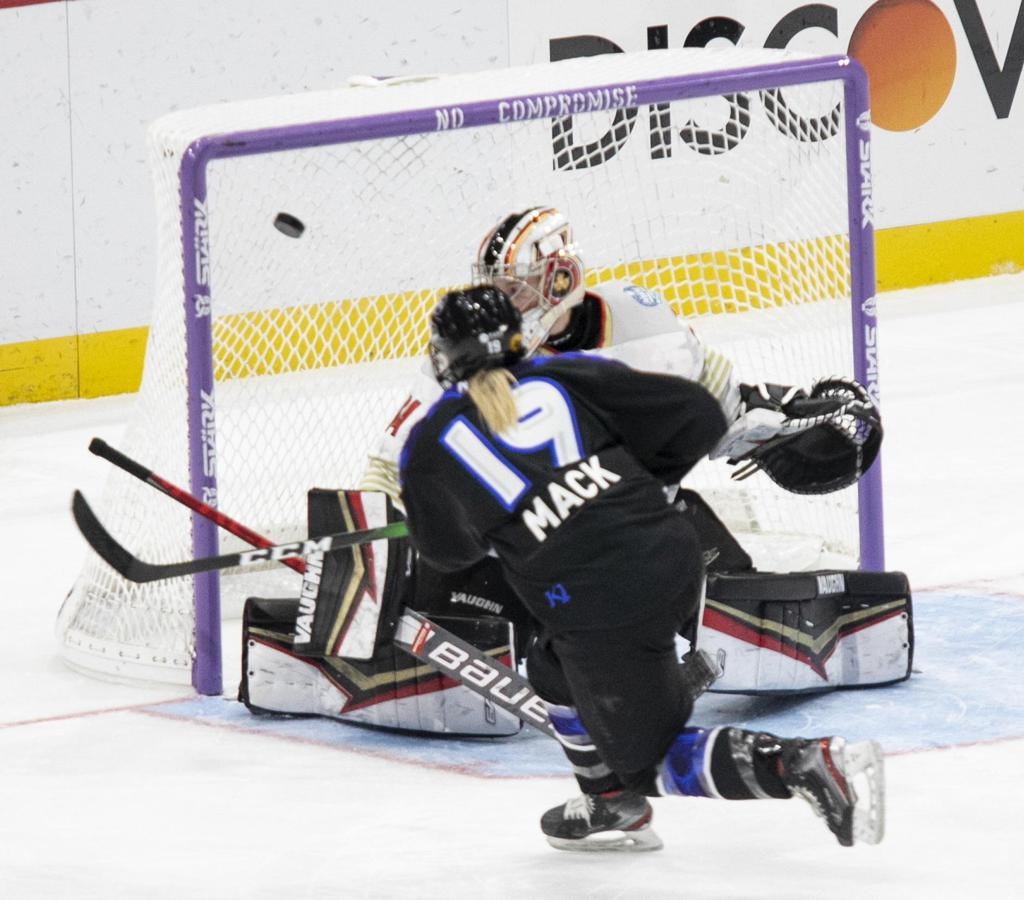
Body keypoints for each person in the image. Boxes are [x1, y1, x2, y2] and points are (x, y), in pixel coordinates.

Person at [397, 284, 885, 851]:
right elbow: (700, 415)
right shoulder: (565, 375)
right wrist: (629, 484)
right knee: (552, 669)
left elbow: (447, 555)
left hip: (596, 598)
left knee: (650, 761)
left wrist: (507, 524)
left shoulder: (428, 445)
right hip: (672, 550)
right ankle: (607, 801)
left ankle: (804, 764)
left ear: (443, 356)